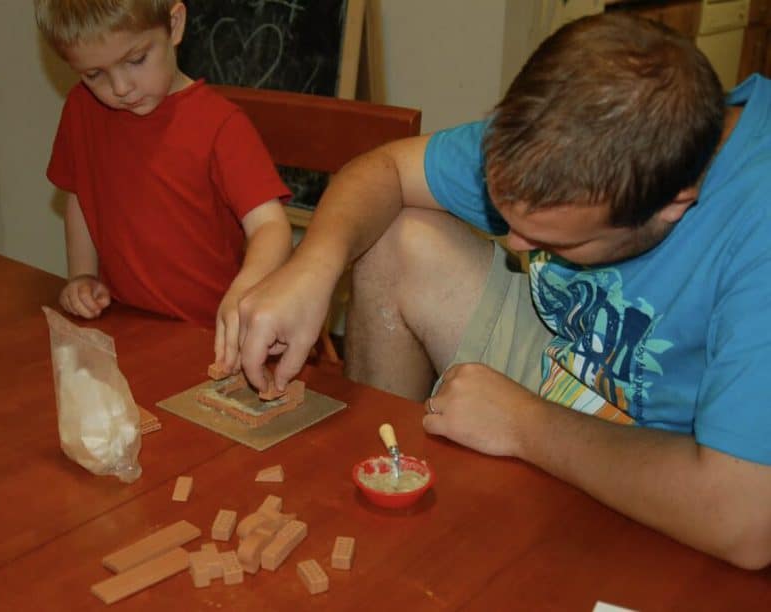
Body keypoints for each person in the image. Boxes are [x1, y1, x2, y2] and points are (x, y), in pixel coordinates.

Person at [236, 13, 771, 569]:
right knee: (398, 236)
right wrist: (313, 268)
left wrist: (526, 426)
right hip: (571, 362)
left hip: (682, 457)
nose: (515, 245)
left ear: (674, 202)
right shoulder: (580, 127)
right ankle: (385, 492)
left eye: (552, 241)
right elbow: (387, 170)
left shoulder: (757, 224)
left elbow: (744, 519)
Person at [35, 0, 292, 371]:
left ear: (173, 25)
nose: (120, 88)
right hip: (129, 331)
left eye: (136, 59)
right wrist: (83, 274)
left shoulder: (220, 126)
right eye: (94, 75)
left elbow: (270, 225)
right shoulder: (80, 109)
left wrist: (244, 291)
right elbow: (79, 195)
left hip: (215, 338)